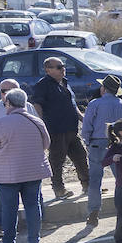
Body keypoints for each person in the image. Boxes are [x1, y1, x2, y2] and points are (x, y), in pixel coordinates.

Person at [0, 87, 49, 243]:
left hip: (8, 173)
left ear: (8, 103)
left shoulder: (1, 123)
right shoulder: (36, 121)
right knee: (33, 206)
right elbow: (46, 144)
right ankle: (34, 242)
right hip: (33, 170)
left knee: (9, 208)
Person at [32, 56, 89, 202]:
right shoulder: (42, 85)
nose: (63, 69)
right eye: (59, 67)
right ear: (48, 69)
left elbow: (73, 106)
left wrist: (84, 119)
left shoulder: (65, 83)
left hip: (71, 128)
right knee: (57, 161)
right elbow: (37, 105)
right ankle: (59, 189)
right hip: (56, 130)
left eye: (63, 66)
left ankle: (88, 185)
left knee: (81, 156)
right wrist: (40, 124)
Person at [80, 75, 122, 227]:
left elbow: (87, 125)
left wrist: (87, 141)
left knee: (95, 180)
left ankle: (93, 213)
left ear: (104, 88)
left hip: (97, 143)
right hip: (117, 142)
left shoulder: (95, 103)